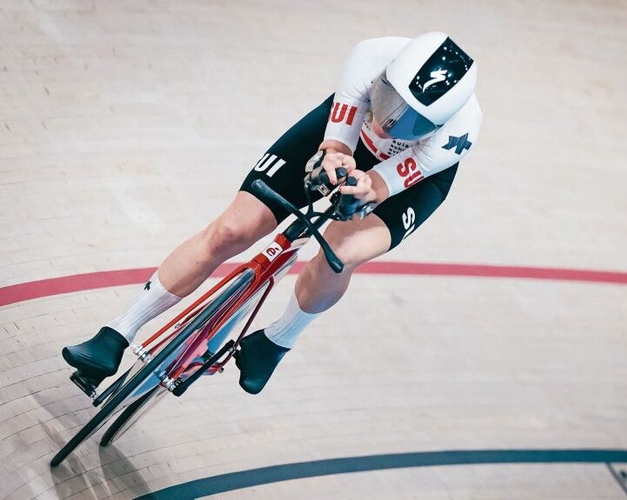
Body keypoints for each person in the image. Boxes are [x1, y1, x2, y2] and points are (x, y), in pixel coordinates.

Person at [62, 31, 483, 395]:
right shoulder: (372, 56)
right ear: (385, 76)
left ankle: (278, 340)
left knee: (343, 250)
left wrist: (359, 191)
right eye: (390, 100)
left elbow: (375, 187)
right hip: (349, 135)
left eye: (412, 121)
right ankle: (118, 331)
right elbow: (335, 145)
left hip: (406, 179)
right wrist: (332, 157)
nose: (390, 124)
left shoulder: (456, 134)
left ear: (438, 121)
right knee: (231, 229)